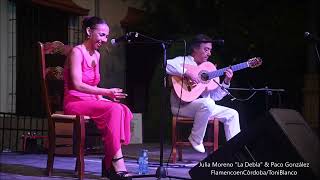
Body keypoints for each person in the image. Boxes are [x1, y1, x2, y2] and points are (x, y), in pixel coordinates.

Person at [63, 16, 132, 180]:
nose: (105, 39)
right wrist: (107, 92)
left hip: (90, 100)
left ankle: (109, 161)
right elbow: (77, 84)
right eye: (101, 35)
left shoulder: (97, 55)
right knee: (114, 109)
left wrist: (103, 97)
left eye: (106, 36)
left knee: (123, 109)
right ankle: (115, 163)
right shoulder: (76, 52)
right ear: (89, 31)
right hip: (74, 101)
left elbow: (94, 86)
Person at [166, 34, 241, 153]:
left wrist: (226, 81)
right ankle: (196, 139)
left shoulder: (209, 69)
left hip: (205, 107)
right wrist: (187, 73)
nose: (209, 53)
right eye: (206, 49)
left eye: (210, 50)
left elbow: (216, 96)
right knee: (208, 103)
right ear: (195, 48)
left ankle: (235, 151)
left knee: (232, 114)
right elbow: (167, 64)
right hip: (182, 106)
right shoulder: (183, 60)